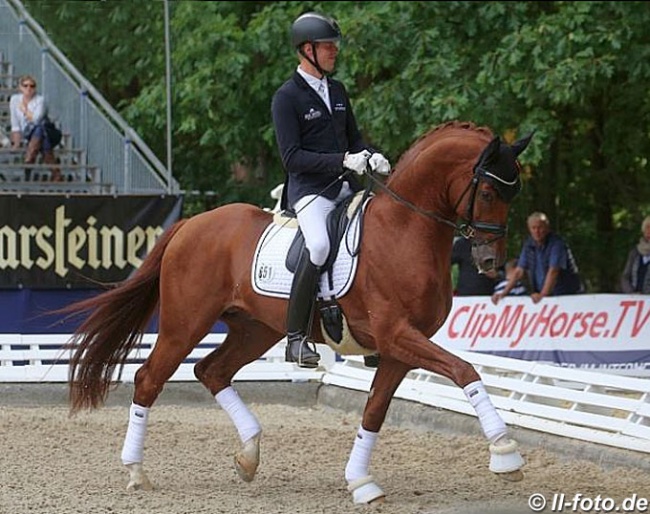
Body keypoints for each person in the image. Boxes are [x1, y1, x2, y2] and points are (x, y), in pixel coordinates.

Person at [271, 12, 391, 368]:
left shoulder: (337, 91)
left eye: (334, 46)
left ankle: (368, 335)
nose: (334, 52)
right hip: (309, 192)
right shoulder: (286, 97)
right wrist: (341, 160)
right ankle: (296, 338)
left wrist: (371, 155)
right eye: (328, 47)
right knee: (320, 245)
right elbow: (292, 157)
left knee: (374, 236)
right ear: (307, 50)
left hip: (345, 187)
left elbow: (354, 139)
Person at [492, 211, 582, 305]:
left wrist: (542, 295)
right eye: (533, 228)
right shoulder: (528, 244)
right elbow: (519, 272)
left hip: (566, 295)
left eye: (540, 227)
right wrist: (503, 293)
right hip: (546, 296)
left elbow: (553, 271)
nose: (537, 231)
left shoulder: (557, 244)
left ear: (547, 227)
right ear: (529, 229)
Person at [9, 74, 61, 181]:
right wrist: (16, 143)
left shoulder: (40, 100)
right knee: (42, 137)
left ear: (35, 88)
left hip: (48, 133)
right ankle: (56, 174)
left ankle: (29, 158)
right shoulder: (14, 100)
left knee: (39, 128)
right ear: (20, 87)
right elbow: (15, 124)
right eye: (25, 85)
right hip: (29, 133)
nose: (29, 88)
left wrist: (24, 110)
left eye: (32, 86)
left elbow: (36, 119)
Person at [620, 215, 650, 294]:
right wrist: (630, 292)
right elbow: (625, 277)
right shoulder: (635, 252)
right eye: (647, 228)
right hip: (634, 299)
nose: (649, 231)